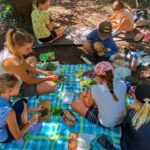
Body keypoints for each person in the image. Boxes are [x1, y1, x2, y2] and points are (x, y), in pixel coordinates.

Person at [0, 28, 58, 97]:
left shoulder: (14, 50)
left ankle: (30, 76)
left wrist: (44, 72)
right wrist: (48, 78)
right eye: (27, 49)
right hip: (14, 88)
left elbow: (26, 66)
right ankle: (30, 78)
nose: (30, 51)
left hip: (17, 75)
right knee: (52, 85)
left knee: (32, 59)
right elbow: (29, 82)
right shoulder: (12, 62)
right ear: (17, 47)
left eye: (31, 47)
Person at [71, 61, 127, 128]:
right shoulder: (122, 84)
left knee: (74, 104)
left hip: (107, 123)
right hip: (121, 119)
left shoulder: (95, 88)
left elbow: (87, 104)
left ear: (98, 77)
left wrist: (83, 97)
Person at [0, 73, 41, 143]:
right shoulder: (9, 111)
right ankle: (25, 127)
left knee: (22, 102)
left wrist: (35, 109)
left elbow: (9, 116)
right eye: (17, 86)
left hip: (3, 125)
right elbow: (18, 136)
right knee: (22, 103)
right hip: (4, 137)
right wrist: (31, 122)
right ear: (10, 91)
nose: (19, 87)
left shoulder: (3, 99)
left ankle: (23, 126)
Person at [121, 83, 150, 150]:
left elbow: (123, 125)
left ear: (135, 98)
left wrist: (128, 109)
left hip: (129, 146)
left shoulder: (132, 114)